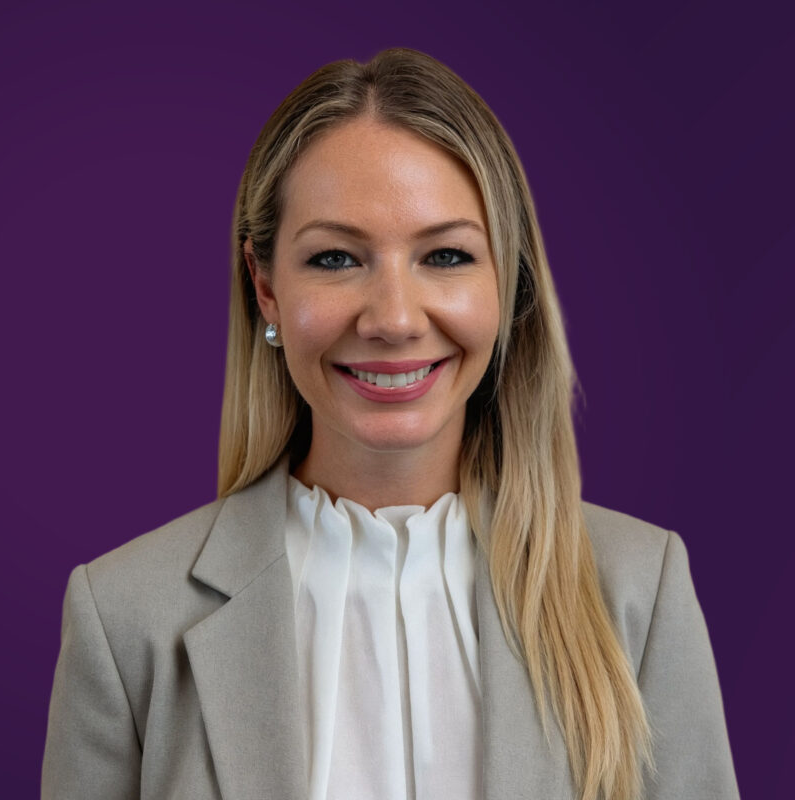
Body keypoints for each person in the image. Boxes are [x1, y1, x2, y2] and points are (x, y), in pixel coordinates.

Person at [41, 47, 740, 800]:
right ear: (265, 286)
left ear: (508, 283)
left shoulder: (639, 591)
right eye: (336, 259)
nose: (395, 319)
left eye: (446, 255)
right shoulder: (124, 618)